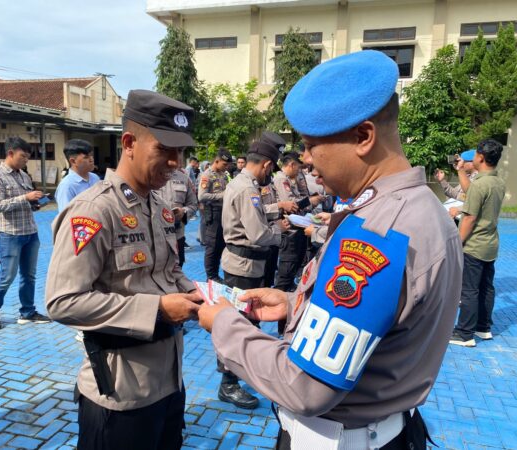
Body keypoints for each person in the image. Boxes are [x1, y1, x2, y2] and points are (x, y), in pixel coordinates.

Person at [198, 50, 463, 450]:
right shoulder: (420, 208)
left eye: (310, 146)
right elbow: (382, 319)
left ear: (363, 137)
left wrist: (223, 324)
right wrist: (293, 303)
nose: (305, 161)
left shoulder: (379, 232)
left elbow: (306, 387)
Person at [45, 90, 202, 450]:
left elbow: (169, 271)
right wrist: (158, 310)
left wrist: (197, 294)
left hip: (169, 382)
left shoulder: (159, 206)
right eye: (165, 149)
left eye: (181, 152)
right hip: (121, 392)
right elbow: (63, 301)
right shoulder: (94, 211)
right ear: (129, 142)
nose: (176, 162)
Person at [216, 132, 290, 409]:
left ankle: (237, 374)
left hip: (247, 264)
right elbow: (258, 234)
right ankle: (228, 384)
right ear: (268, 165)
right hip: (243, 266)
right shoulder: (247, 188)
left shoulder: (243, 184)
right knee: (239, 323)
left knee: (248, 321)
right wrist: (279, 232)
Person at [0, 137, 51, 330]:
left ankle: (28, 311)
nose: (25, 160)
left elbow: (26, 203)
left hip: (30, 232)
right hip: (10, 234)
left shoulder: (23, 175)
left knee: (29, 275)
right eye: (23, 156)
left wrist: (36, 203)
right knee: (7, 276)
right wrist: (25, 197)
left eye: (28, 157)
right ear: (10, 153)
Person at [450, 139, 506, 347]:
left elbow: (470, 218)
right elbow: (472, 190)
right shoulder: (497, 182)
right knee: (486, 287)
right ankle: (483, 327)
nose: (471, 158)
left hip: (473, 245)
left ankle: (464, 333)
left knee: (469, 290)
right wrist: (460, 172)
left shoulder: (480, 186)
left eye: (474, 155)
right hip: (490, 244)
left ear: (480, 158)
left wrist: (457, 242)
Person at [273, 152, 322, 293]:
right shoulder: (281, 179)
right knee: (288, 262)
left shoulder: (290, 179)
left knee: (297, 260)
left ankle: (287, 287)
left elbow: (300, 198)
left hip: (298, 225)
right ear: (292, 165)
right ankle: (280, 291)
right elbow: (291, 203)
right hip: (289, 228)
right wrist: (309, 201)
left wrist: (309, 201)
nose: (299, 171)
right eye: (298, 168)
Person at [155, 157, 198, 267]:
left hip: (177, 235)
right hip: (154, 236)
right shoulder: (150, 176)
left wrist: (183, 212)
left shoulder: (184, 178)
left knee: (177, 267)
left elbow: (193, 204)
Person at [198, 148, 233, 282]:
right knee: (212, 247)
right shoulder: (207, 175)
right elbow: (202, 196)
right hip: (213, 214)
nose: (226, 167)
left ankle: (216, 275)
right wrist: (223, 196)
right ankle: (211, 276)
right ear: (216, 161)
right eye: (224, 164)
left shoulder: (224, 175)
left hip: (224, 213)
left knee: (221, 245)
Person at [55, 139, 100, 212]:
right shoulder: (67, 186)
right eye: (86, 157)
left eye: (91, 156)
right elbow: (66, 216)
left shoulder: (95, 178)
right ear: (73, 161)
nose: (91, 159)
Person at [435, 149, 478, 220]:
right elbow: (455, 195)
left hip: (468, 219)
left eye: (463, 161)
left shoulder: (479, 179)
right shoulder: (468, 177)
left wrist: (458, 209)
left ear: (472, 163)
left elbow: (475, 203)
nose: (461, 164)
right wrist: (442, 180)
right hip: (459, 217)